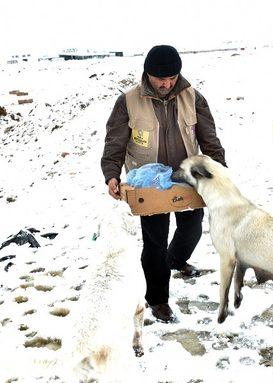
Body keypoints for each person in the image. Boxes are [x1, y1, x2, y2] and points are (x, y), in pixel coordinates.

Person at [101, 45, 226, 323]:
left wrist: (220, 168)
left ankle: (177, 260)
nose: (167, 84)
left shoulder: (193, 97)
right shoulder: (128, 101)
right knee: (154, 243)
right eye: (161, 79)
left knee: (192, 228)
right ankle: (158, 300)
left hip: (186, 177)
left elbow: (209, 138)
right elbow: (115, 143)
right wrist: (111, 174)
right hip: (148, 184)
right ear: (148, 74)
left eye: (171, 78)